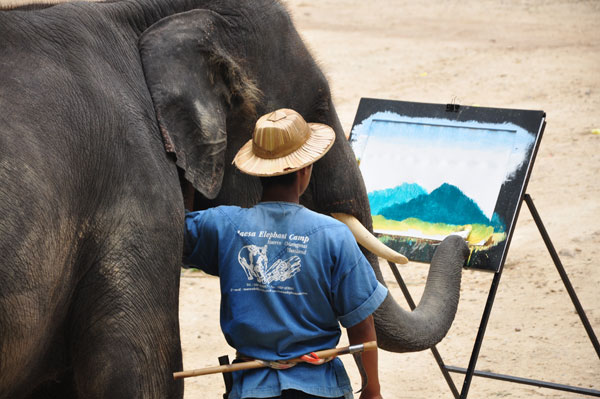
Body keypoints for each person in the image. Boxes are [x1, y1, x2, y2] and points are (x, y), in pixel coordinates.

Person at [183, 108, 386, 399]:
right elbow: (361, 326)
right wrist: (372, 390)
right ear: (305, 169)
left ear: (258, 170)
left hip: (250, 389)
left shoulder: (222, 225)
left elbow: (172, 228)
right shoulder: (333, 236)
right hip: (321, 390)